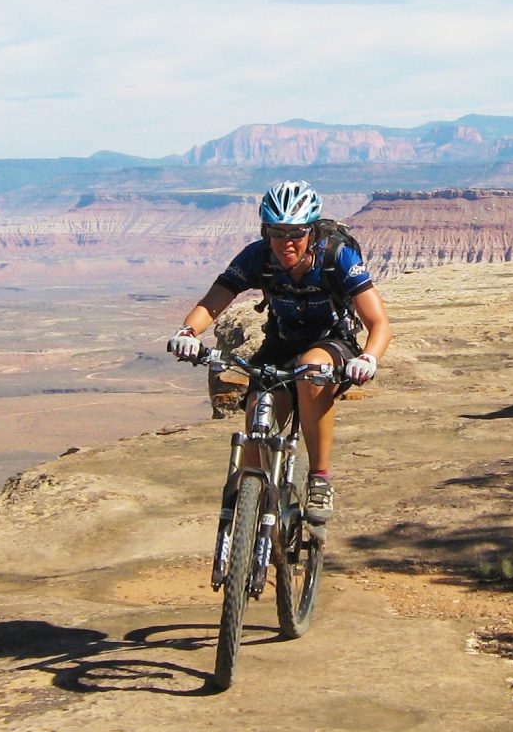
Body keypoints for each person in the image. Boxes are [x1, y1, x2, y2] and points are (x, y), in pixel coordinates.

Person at [167, 180, 391, 525]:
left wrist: (368, 358)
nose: (286, 242)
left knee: (312, 369)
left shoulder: (337, 256)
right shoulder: (258, 256)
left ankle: (319, 478)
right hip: (281, 342)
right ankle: (251, 514)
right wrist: (188, 331)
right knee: (260, 412)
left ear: (311, 231)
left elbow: (378, 322)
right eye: (276, 232)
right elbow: (213, 301)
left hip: (331, 341)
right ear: (265, 230)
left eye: (296, 233)